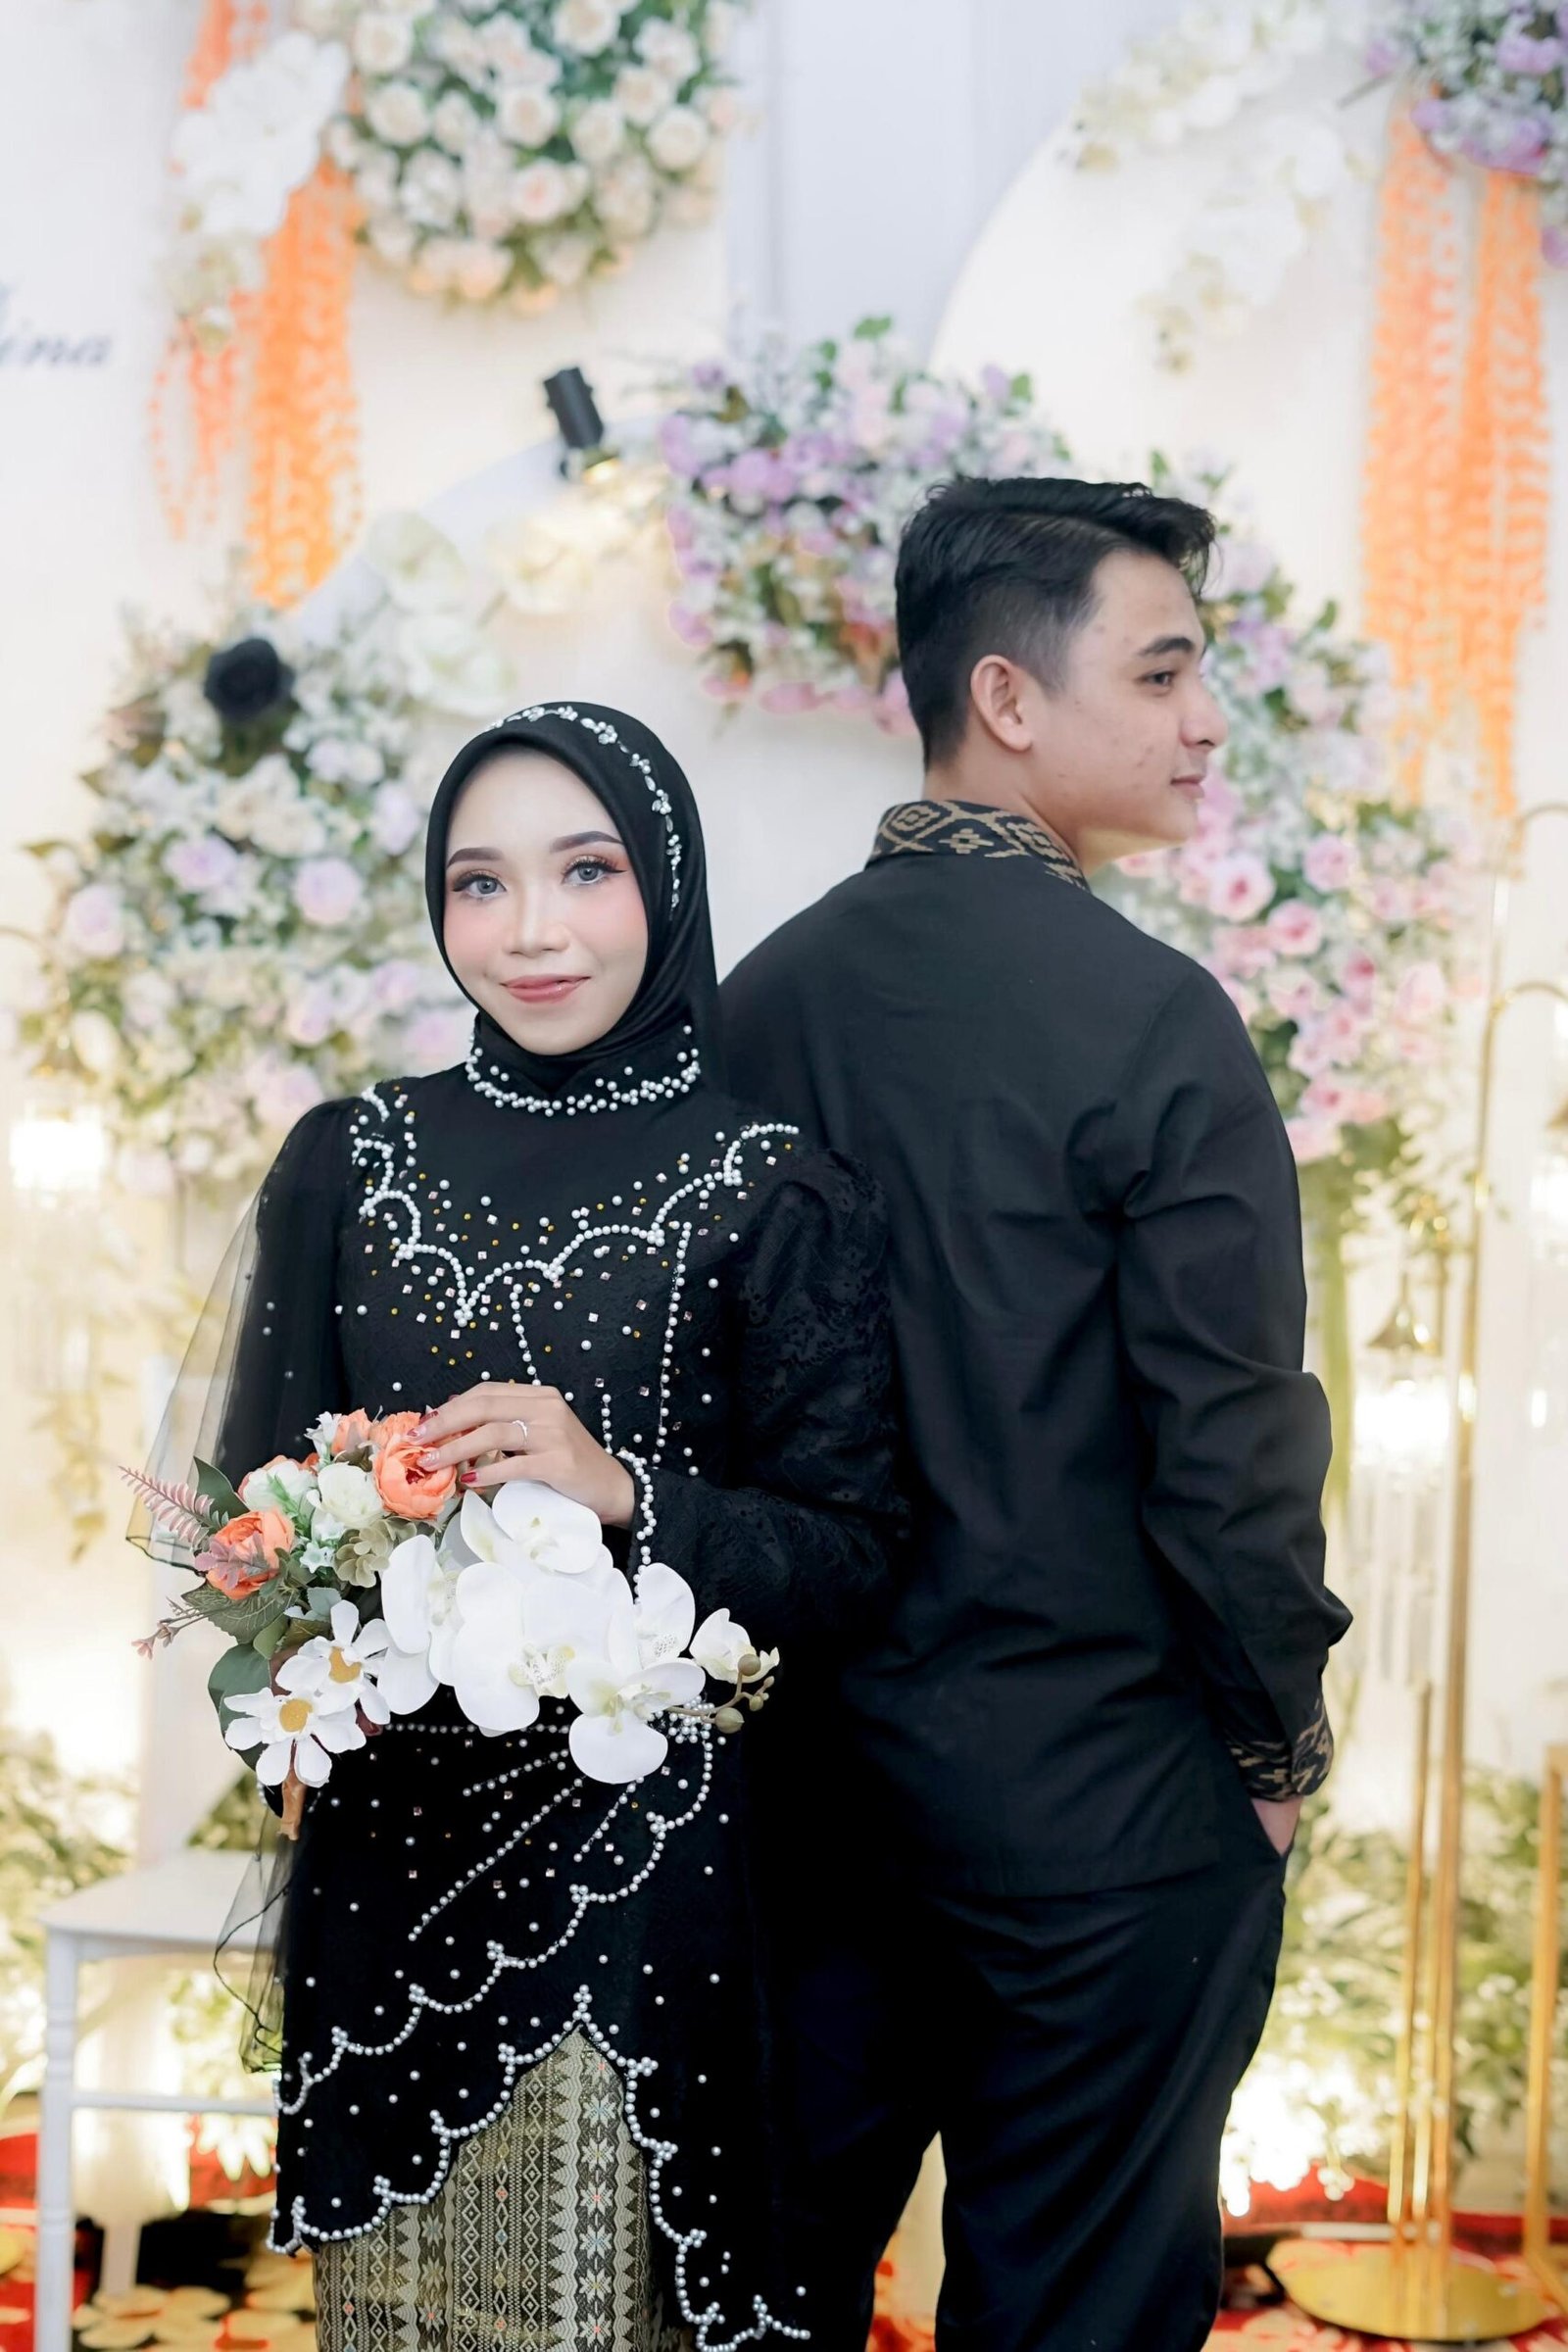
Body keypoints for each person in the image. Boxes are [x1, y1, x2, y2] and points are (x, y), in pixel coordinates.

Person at [720, 477, 1351, 2352]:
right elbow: (1234, 1447)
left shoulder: (754, 1009)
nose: (1205, 722)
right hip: (1107, 1814)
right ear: (1004, 695)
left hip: (811, 1811)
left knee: (759, 2298)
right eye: (1161, 674)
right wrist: (1278, 1747)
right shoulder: (1156, 1018)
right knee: (1074, 2312)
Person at [194, 703, 903, 2352]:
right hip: (385, 1865)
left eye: (586, 871)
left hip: (653, 1886)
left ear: (665, 880)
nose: (530, 930)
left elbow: (858, 1553)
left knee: (600, 2306)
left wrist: (625, 1491)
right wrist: (306, 1624)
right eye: (480, 882)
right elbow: (247, 1531)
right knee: (397, 2315)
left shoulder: (772, 1184)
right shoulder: (348, 1163)